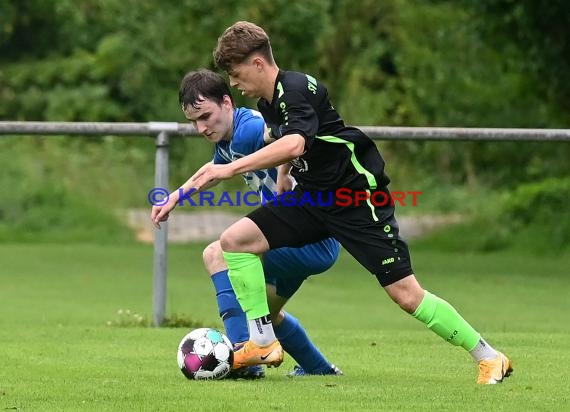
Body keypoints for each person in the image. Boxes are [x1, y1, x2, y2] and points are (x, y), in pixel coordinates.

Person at [156, 21, 514, 385]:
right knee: (233, 241)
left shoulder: (294, 89)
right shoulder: (267, 103)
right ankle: (261, 342)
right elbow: (287, 144)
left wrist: (231, 169)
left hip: (356, 198)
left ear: (258, 64)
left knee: (406, 295)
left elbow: (294, 143)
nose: (233, 82)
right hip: (311, 198)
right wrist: (282, 178)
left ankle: (489, 357)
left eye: (235, 74)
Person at [151, 69, 343, 378]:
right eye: (194, 122)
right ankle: (320, 369)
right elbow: (213, 169)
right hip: (312, 241)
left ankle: (245, 359)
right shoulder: (229, 140)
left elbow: (282, 135)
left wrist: (285, 169)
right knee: (268, 314)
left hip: (309, 237)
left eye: (205, 116)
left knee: (217, 253)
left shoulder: (250, 127)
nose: (201, 127)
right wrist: (175, 196)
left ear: (227, 102)